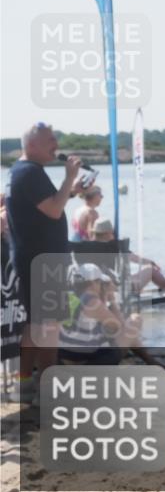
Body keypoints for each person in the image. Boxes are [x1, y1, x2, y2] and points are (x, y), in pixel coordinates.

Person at [6, 123, 85, 402]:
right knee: (48, 326)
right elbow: (53, 210)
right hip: (42, 260)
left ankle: (25, 383)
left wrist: (71, 190)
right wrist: (69, 177)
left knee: (35, 325)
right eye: (50, 140)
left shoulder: (24, 171)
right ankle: (48, 389)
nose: (56, 144)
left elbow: (48, 204)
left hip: (34, 258)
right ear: (32, 145)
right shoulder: (29, 173)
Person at [57, 262, 144, 366]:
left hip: (65, 354)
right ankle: (152, 362)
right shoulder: (91, 300)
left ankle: (151, 361)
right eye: (100, 282)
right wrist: (111, 299)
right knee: (134, 322)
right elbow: (119, 327)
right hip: (85, 360)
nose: (101, 285)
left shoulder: (72, 296)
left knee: (126, 331)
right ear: (94, 283)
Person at [91, 218, 165, 298]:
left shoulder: (88, 248)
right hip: (118, 290)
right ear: (108, 233)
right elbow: (135, 259)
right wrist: (151, 262)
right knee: (151, 270)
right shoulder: (112, 247)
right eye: (112, 233)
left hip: (98, 290)